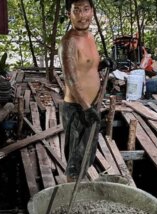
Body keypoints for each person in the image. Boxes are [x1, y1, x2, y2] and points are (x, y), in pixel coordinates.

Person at [59, 0, 104, 182]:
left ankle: (80, 190)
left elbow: (88, 67)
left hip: (91, 106)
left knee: (87, 156)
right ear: (69, 13)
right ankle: (71, 195)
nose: (82, 15)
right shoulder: (69, 42)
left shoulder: (90, 37)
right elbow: (71, 78)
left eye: (85, 9)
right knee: (75, 162)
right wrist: (86, 108)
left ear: (92, 11)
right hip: (78, 109)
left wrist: (103, 65)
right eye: (76, 10)